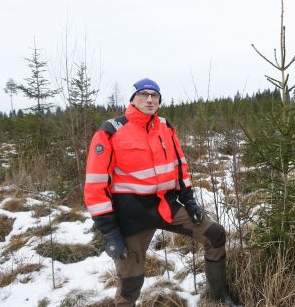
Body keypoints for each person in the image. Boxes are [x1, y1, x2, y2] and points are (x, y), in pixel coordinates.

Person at [83, 78, 241, 307]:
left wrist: (191, 202)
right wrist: (108, 231)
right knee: (130, 279)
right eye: (144, 94)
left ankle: (218, 298)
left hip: (166, 206)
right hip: (131, 213)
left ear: (159, 101)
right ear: (133, 99)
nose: (149, 99)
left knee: (214, 234)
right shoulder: (111, 130)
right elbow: (95, 185)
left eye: (154, 95)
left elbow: (180, 168)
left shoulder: (166, 128)